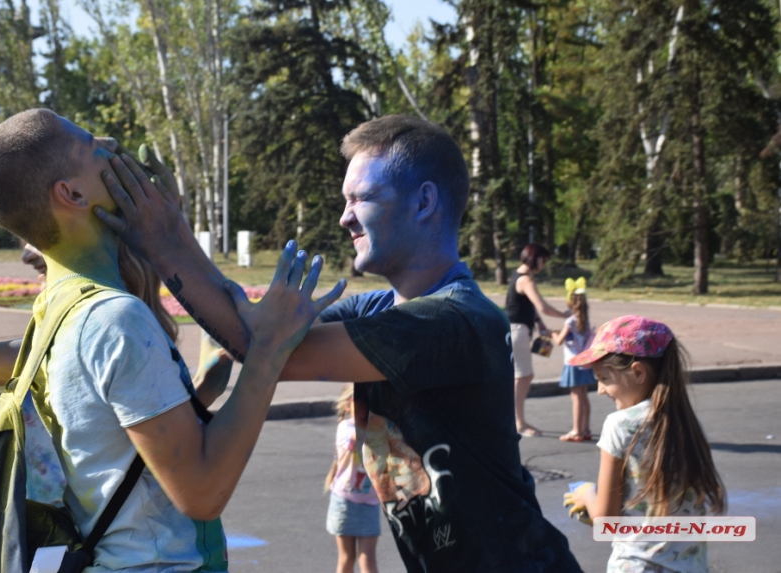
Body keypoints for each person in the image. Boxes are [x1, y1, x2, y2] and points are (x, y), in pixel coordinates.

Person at [96, 115, 581, 571]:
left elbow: (261, 345)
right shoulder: (378, 307)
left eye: (361, 198)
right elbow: (258, 329)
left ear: (424, 202)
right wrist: (173, 230)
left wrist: (164, 240)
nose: (345, 218)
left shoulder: (451, 320)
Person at [0, 108, 345, 571]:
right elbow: (201, 492)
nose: (112, 146)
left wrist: (168, 228)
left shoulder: (56, 310)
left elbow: (116, 451)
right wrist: (268, 351)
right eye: (91, 144)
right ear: (73, 193)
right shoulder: (114, 320)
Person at [563, 315, 725, 572]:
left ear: (638, 372)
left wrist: (586, 494)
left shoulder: (620, 424)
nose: (600, 390)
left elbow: (605, 520)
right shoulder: (688, 424)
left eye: (604, 378)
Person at [505, 243, 570, 437]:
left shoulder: (520, 276)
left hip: (518, 329)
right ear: (535, 259)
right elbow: (543, 306)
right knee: (522, 376)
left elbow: (528, 306)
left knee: (524, 376)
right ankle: (518, 423)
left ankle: (517, 420)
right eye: (543, 259)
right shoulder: (526, 280)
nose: (544, 264)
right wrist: (566, 315)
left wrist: (540, 324)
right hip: (518, 330)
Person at [324, 384, 380, 573]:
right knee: (347, 558)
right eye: (361, 402)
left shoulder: (378, 428)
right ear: (349, 405)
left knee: (367, 558)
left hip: (370, 502)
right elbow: (358, 438)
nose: (367, 406)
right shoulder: (345, 428)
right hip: (344, 501)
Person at [550, 279, 595, 442]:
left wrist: (551, 333)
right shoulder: (585, 320)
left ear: (570, 301)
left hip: (573, 363)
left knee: (575, 397)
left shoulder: (570, 321)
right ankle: (586, 428)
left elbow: (559, 340)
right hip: (585, 362)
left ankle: (576, 430)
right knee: (584, 396)